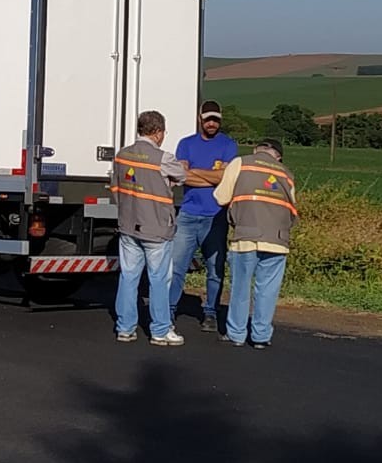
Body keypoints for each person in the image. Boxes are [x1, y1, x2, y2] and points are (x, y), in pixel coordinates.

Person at [213, 138, 298, 349]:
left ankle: (237, 334)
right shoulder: (286, 173)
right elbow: (293, 209)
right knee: (268, 290)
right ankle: (261, 336)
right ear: (278, 156)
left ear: (255, 150)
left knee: (241, 288)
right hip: (278, 240)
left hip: (246, 238)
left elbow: (221, 197)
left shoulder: (241, 163)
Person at [111, 110, 187, 346]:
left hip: (128, 225)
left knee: (128, 277)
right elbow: (181, 176)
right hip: (156, 228)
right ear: (158, 133)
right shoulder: (163, 157)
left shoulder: (122, 156)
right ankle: (160, 330)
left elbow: (115, 188)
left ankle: (125, 328)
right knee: (159, 279)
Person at [169, 100, 238, 331]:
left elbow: (225, 178)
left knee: (215, 269)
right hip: (188, 214)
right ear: (200, 118)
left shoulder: (229, 144)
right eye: (208, 119)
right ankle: (169, 311)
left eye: (215, 120)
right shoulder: (186, 143)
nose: (211, 123)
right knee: (177, 266)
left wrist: (195, 172)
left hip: (216, 215)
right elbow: (181, 176)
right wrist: (211, 176)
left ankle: (210, 313)